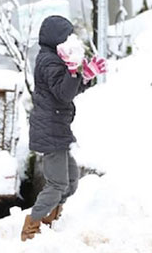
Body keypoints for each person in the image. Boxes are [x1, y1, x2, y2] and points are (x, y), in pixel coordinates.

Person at [21, 15, 106, 241]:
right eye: (67, 35)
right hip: (50, 130)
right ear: (57, 38)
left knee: (70, 181)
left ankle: (51, 217)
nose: (71, 39)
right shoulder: (48, 61)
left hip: (58, 129)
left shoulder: (54, 59)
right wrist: (73, 72)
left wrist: (84, 76)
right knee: (58, 183)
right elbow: (65, 93)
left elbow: (66, 92)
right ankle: (31, 227)